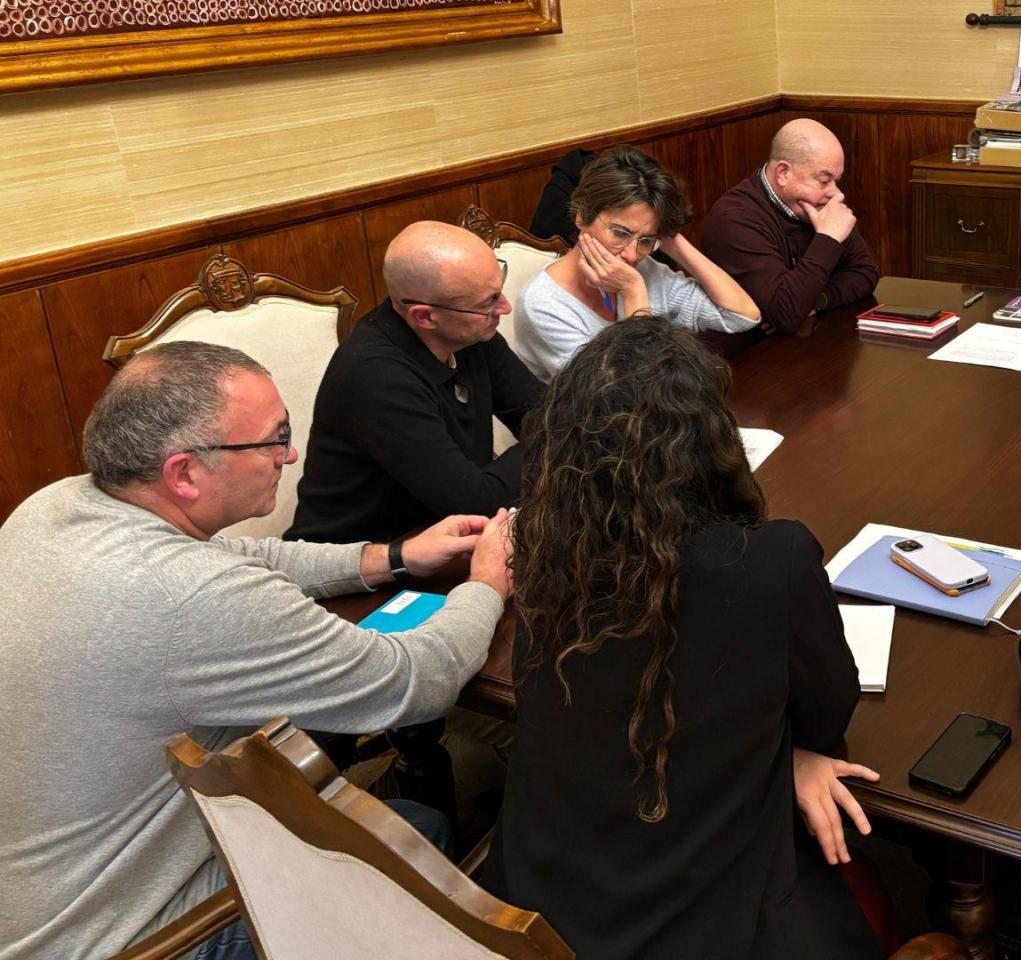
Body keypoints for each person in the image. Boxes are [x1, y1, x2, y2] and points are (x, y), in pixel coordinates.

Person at [0, 341, 513, 960]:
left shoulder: (58, 504)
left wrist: (394, 557)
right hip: (126, 939)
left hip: (37, 897)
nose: (289, 455)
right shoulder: (193, 598)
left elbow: (242, 557)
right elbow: (414, 682)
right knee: (420, 832)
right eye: (275, 439)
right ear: (184, 473)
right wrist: (488, 582)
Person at [483, 318, 881, 959]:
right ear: (713, 440)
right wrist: (795, 750)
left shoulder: (547, 550)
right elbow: (828, 711)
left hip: (538, 912)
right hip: (704, 921)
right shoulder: (773, 558)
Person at [286, 221, 542, 544]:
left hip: (443, 539)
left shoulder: (469, 332)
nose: (504, 307)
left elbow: (548, 412)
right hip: (365, 559)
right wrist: (555, 436)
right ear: (425, 316)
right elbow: (476, 503)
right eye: (488, 302)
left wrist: (556, 429)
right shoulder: (375, 376)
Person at [510, 146, 760, 377]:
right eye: (620, 233)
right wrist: (633, 293)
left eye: (646, 240)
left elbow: (742, 315)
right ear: (582, 217)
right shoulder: (543, 304)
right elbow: (621, 394)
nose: (632, 255)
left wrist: (675, 242)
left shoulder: (646, 269)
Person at [698, 118, 880, 335]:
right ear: (783, 173)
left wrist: (816, 300)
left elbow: (866, 271)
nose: (836, 193)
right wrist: (828, 240)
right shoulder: (733, 220)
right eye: (824, 181)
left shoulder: (819, 204)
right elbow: (786, 313)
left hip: (806, 341)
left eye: (836, 181)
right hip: (749, 351)